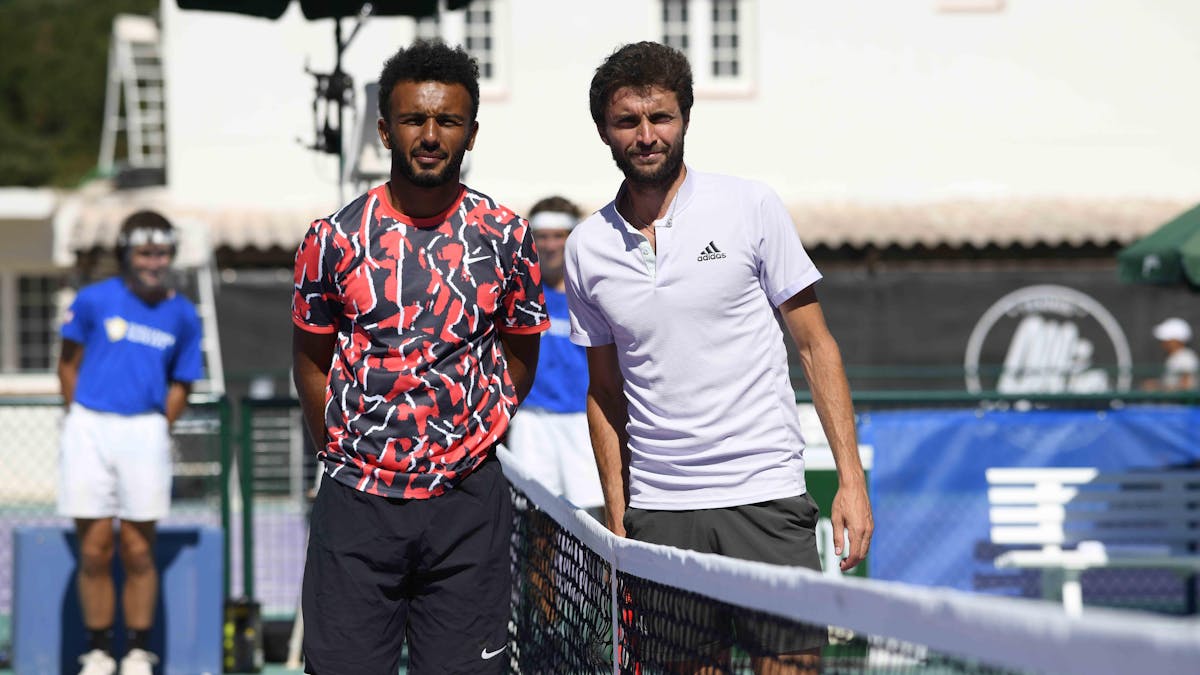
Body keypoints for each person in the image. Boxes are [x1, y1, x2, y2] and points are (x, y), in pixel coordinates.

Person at [565, 42, 874, 673]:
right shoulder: (585, 248)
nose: (647, 135)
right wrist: (620, 520)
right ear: (604, 130)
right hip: (663, 515)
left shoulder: (750, 206)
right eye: (628, 121)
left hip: (766, 498)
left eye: (662, 118)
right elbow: (603, 392)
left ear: (684, 119)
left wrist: (851, 480)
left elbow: (816, 346)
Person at [291, 40, 548, 674]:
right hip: (356, 507)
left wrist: (470, 436)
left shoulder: (507, 237)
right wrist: (350, 452)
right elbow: (310, 360)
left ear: (471, 133)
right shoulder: (331, 239)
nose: (430, 136)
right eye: (413, 120)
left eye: (448, 121)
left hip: (468, 507)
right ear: (385, 129)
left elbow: (521, 351)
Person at [57, 210, 203, 675]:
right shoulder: (93, 300)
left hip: (145, 429)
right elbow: (68, 363)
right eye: (144, 252)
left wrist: (161, 425)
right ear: (127, 253)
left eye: (161, 252)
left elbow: (183, 380)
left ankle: (139, 651)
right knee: (95, 547)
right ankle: (98, 650)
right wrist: (78, 416)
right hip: (90, 427)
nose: (153, 261)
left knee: (139, 549)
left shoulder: (182, 313)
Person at [506, 195, 604, 516]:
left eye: (558, 236)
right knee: (532, 523)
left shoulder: (592, 292)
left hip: (582, 422)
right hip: (532, 422)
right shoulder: (520, 292)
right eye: (541, 236)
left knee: (590, 524)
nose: (549, 245)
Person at [1143, 317, 1198, 391]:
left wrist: (1158, 386)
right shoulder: (1176, 357)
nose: (1163, 342)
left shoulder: (1186, 358)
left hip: (1180, 402)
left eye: (1166, 339)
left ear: (1176, 340)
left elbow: (1187, 386)